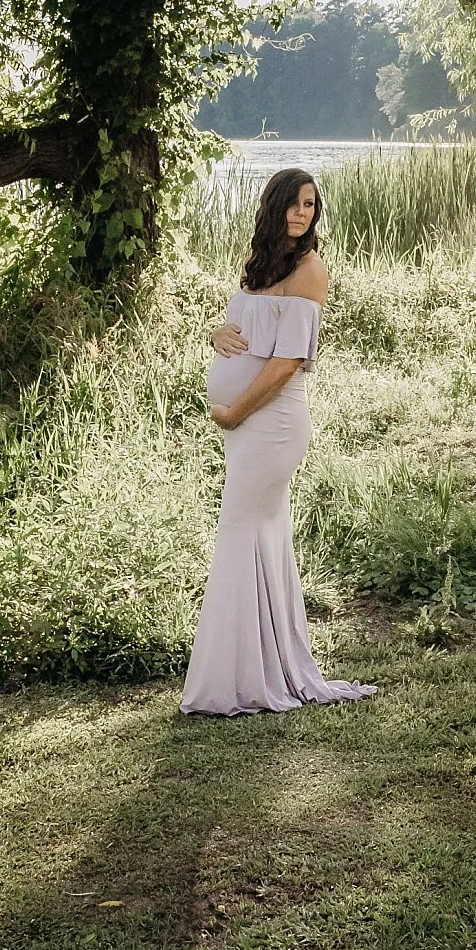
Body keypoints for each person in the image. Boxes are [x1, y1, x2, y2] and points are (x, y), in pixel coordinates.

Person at [180, 166, 377, 715]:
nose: (302, 213)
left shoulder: (311, 271)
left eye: (310, 205)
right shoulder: (262, 263)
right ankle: (255, 668)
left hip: (272, 425)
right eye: (294, 203)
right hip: (247, 426)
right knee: (257, 540)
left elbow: (288, 361)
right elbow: (243, 329)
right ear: (274, 206)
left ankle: (234, 681)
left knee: (238, 533)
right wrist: (215, 333)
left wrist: (233, 412)